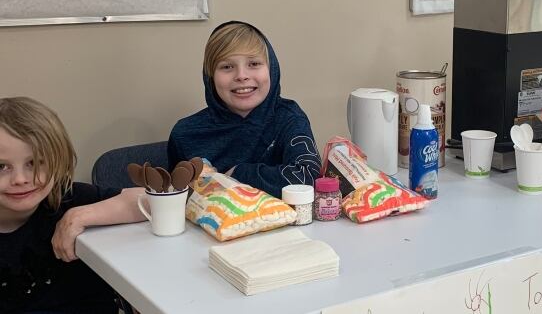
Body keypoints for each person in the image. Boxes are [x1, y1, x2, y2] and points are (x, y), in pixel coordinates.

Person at [0, 97, 144, 314]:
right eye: (2, 166)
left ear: (58, 159)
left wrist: (81, 216)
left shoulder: (70, 198)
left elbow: (155, 201)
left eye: (36, 163)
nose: (20, 179)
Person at [168, 21, 321, 199]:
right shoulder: (185, 134)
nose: (242, 75)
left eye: (254, 64)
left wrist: (239, 174)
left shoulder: (289, 118)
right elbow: (174, 197)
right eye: (227, 67)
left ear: (271, 69)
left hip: (284, 225)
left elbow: (309, 179)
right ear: (210, 76)